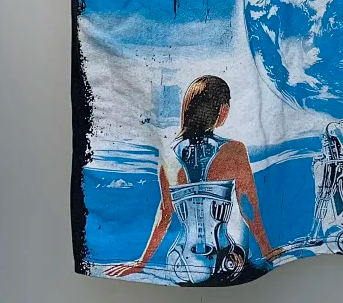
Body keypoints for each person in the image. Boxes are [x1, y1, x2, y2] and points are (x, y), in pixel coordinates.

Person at [106, 75, 272, 283]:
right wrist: (267, 250)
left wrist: (141, 262)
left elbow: (165, 215)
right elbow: (248, 207)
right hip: (222, 262)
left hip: (180, 264)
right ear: (223, 110)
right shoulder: (234, 150)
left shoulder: (169, 155)